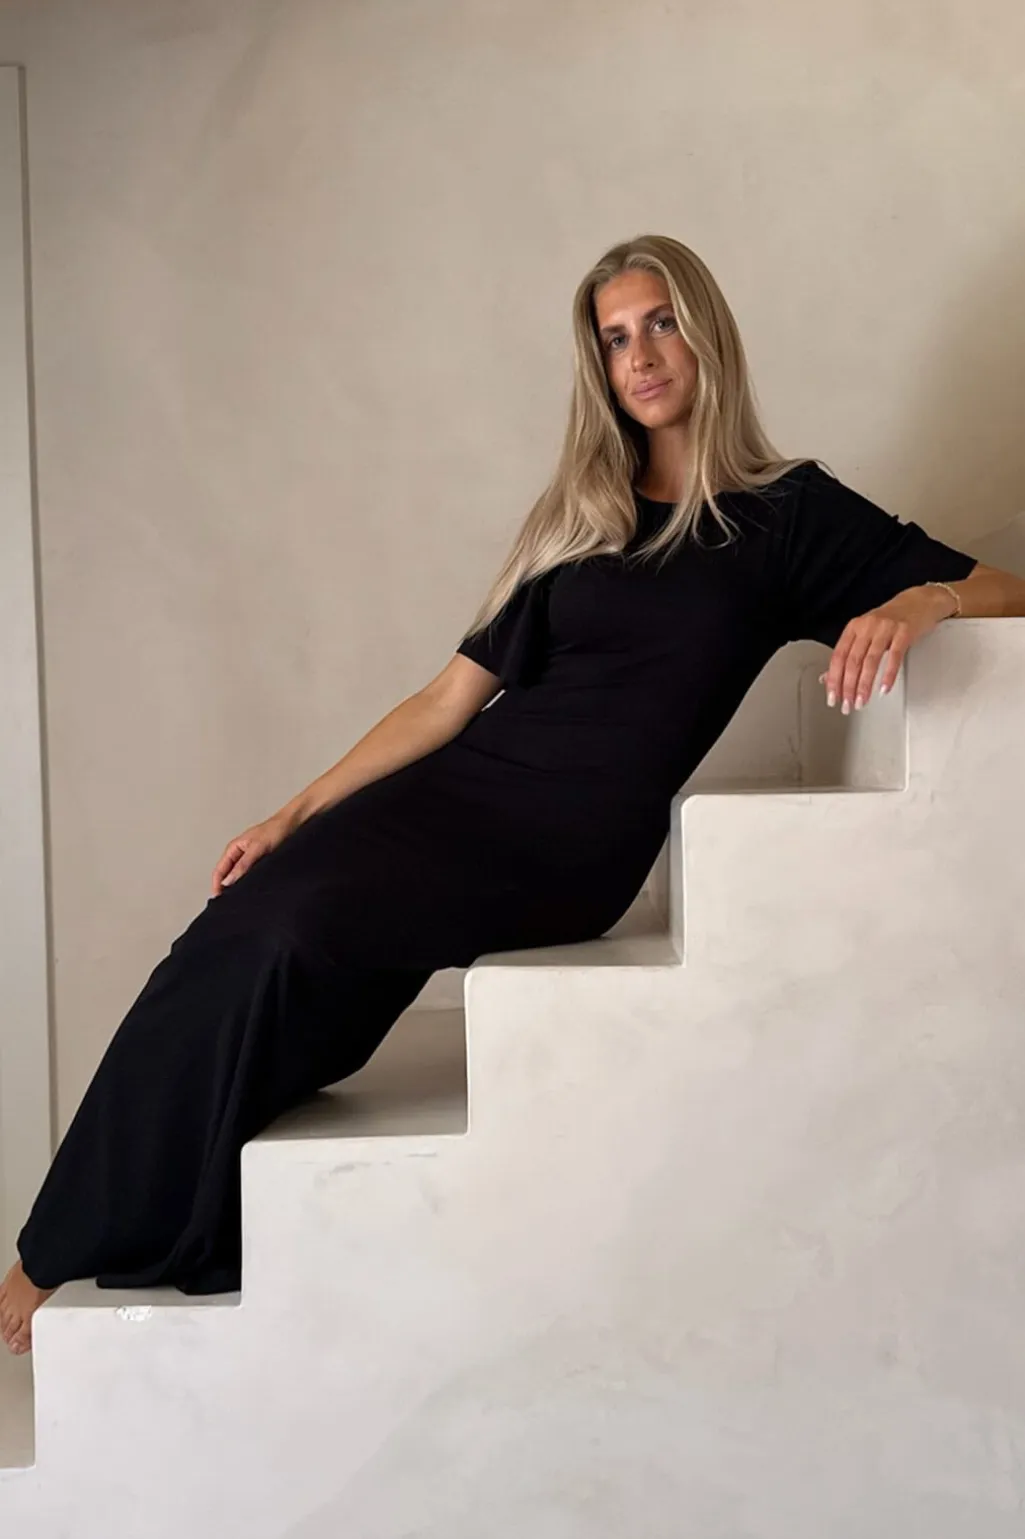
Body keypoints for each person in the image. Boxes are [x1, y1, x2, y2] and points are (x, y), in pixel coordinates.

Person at [3, 233, 1022, 1357]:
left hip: (566, 844)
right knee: (253, 925)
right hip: (461, 793)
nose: (640, 357)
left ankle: (51, 1254)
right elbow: (447, 701)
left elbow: (1004, 590)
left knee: (294, 927)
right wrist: (292, 812)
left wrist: (921, 599)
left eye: (659, 323)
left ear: (705, 333)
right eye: (614, 339)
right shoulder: (579, 515)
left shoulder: (787, 513)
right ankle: (135, 1214)